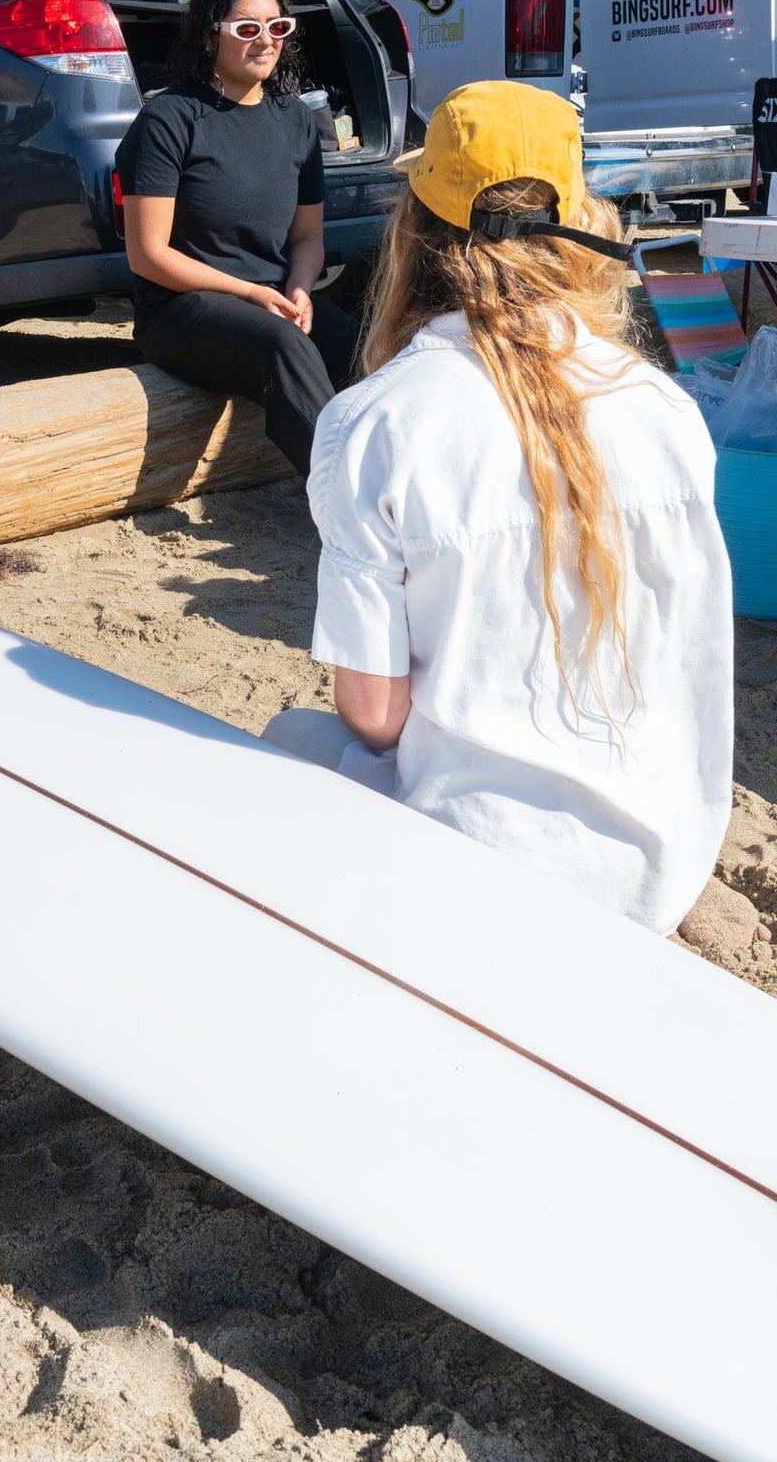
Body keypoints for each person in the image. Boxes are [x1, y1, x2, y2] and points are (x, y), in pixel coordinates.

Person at [264, 80, 758, 945]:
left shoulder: (374, 421)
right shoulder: (667, 410)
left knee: (286, 738)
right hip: (658, 861)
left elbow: (375, 714)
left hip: (473, 862)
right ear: (581, 221)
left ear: (417, 229)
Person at [115, 0, 359, 477]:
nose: (265, 40)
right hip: (181, 309)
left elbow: (308, 238)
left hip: (274, 301)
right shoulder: (169, 118)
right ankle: (345, 506)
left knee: (364, 346)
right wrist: (251, 294)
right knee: (284, 344)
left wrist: (298, 288)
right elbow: (147, 255)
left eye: (277, 27)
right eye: (247, 28)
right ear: (209, 36)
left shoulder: (294, 118)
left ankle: (408, 491)